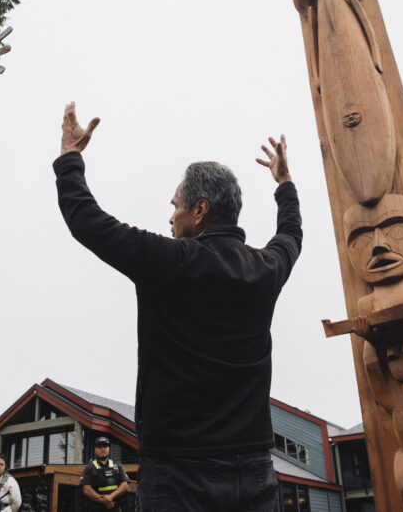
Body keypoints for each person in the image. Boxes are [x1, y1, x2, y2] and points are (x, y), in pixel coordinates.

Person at [54, 103, 302, 512]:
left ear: (200, 210)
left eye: (175, 206)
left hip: (178, 473)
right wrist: (284, 183)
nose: (171, 217)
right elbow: (291, 233)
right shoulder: (266, 268)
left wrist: (69, 157)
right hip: (254, 470)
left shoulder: (168, 261)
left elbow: (86, 220)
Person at [80, 437, 129, 511]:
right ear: (95, 450)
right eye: (99, 447)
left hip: (115, 507)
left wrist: (111, 497)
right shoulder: (89, 467)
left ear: (109, 449)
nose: (102, 449)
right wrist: (103, 501)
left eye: (105, 447)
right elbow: (86, 490)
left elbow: (125, 485)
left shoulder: (118, 466)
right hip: (96, 508)